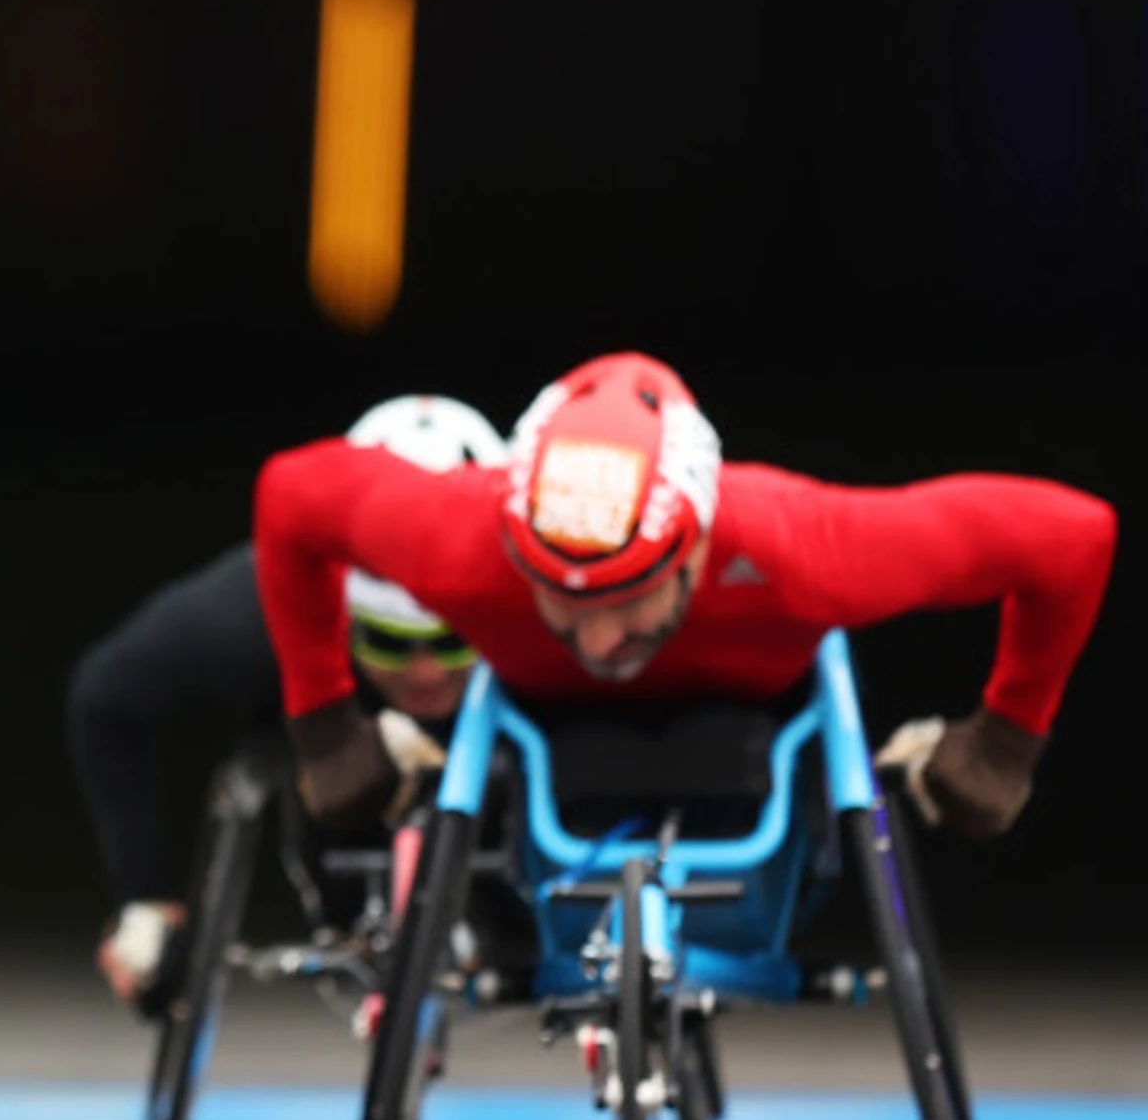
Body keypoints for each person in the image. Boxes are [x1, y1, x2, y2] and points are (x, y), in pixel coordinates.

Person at [252, 352, 1115, 842]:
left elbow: (1071, 537)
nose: (599, 640)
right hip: (537, 735)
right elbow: (288, 497)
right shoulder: (459, 529)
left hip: (753, 730)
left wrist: (1006, 742)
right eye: (559, 596)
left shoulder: (802, 542)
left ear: (697, 542)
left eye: (631, 597)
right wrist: (324, 728)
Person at [66, 395, 503, 1005]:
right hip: (327, 741)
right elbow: (104, 698)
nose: (426, 671)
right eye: (391, 640)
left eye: (450, 640)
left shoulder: (543, 596)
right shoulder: (260, 606)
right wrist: (145, 897)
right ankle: (349, 906)